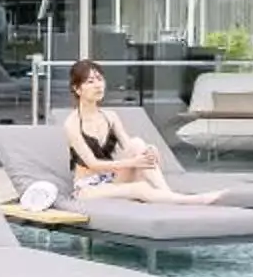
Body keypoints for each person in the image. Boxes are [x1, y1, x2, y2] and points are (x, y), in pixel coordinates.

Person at [61, 57, 223, 203]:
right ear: (77, 89)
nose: (98, 85)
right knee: (139, 187)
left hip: (112, 179)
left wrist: (148, 152)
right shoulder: (73, 123)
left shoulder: (110, 116)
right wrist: (134, 162)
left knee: (137, 143)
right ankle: (194, 200)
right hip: (88, 188)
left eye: (100, 79)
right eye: (90, 81)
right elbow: (93, 164)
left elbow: (129, 147)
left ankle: (167, 193)